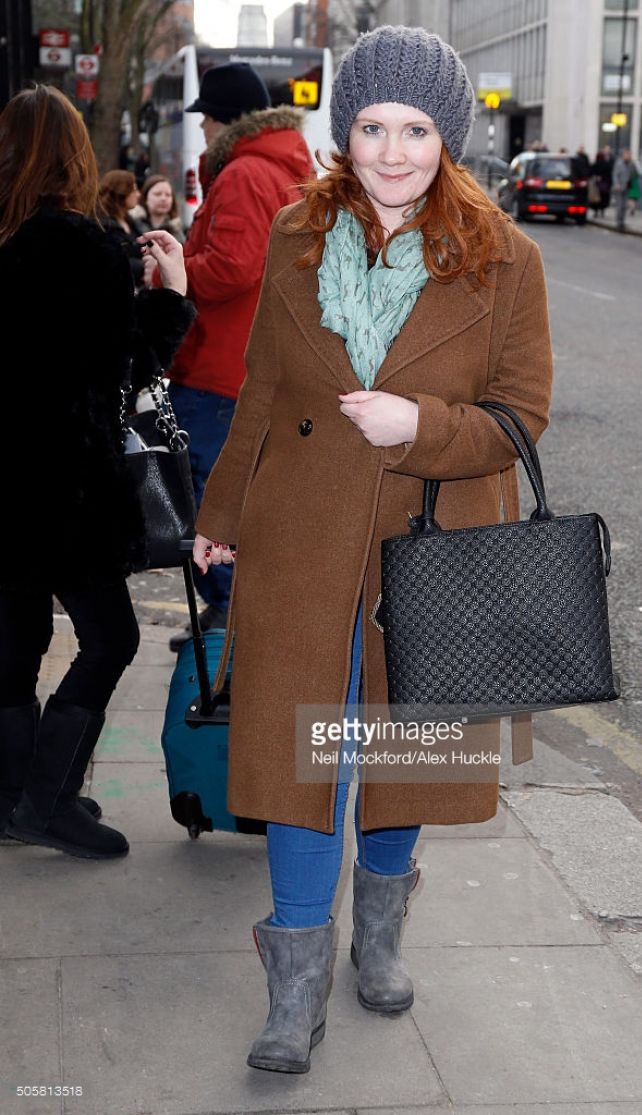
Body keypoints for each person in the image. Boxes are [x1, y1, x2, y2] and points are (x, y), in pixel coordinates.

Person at [192, 25, 553, 1074]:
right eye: (370, 124)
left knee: (405, 753)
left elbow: (523, 415)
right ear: (342, 128)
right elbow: (259, 386)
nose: (392, 150)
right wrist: (219, 517)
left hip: (432, 540)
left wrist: (419, 428)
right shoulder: (298, 235)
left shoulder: (506, 257)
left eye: (415, 127)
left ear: (450, 135)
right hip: (302, 533)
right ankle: (293, 990)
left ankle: (381, 935)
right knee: (299, 754)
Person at [0, 85, 196, 860]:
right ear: (74, 156)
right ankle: (45, 802)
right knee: (109, 636)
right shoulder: (83, 246)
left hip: (7, 485)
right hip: (64, 485)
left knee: (14, 645)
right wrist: (171, 295)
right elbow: (130, 364)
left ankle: (14, 794)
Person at [152, 61, 315, 650]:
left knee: (212, 493)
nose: (200, 130)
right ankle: (234, 621)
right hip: (252, 360)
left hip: (223, 362)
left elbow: (232, 268)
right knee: (237, 495)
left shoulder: (245, 172)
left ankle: (228, 628)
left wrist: (169, 270)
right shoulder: (282, 167)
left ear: (225, 122)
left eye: (206, 119)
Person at [99, 169, 145, 287]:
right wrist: (146, 265)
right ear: (121, 191)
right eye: (134, 189)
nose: (138, 194)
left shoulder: (132, 222)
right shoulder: (104, 226)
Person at [130, 173, 185, 243]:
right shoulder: (133, 225)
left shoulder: (176, 230)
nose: (163, 198)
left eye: (168, 195)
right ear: (146, 198)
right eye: (157, 194)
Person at [611, 148, 638, 232]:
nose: (629, 156)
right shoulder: (619, 163)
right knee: (619, 206)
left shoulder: (630, 164)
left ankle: (622, 222)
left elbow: (634, 173)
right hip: (618, 188)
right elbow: (615, 175)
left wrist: (633, 164)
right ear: (623, 155)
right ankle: (618, 223)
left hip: (627, 187)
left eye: (630, 154)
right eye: (627, 154)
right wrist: (616, 184)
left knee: (624, 206)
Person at [590, 150, 612, 217]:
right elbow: (609, 175)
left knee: (596, 198)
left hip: (597, 184)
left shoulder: (595, 164)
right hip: (605, 184)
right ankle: (602, 211)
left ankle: (596, 211)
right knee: (603, 198)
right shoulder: (607, 164)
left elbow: (590, 173)